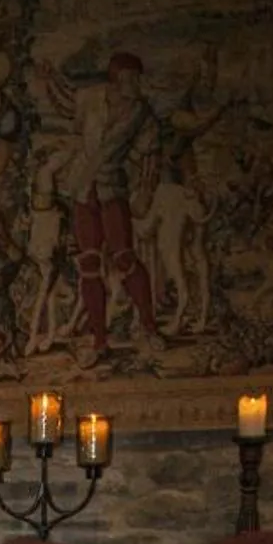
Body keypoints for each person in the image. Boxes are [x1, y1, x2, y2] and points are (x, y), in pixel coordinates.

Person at [61, 50, 164, 361]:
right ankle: (99, 340)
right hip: (83, 188)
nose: (134, 84)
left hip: (111, 187)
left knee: (124, 257)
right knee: (89, 264)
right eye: (129, 78)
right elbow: (66, 108)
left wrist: (145, 189)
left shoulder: (140, 112)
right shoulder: (90, 99)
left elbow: (151, 153)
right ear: (116, 79)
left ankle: (148, 326)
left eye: (137, 78)